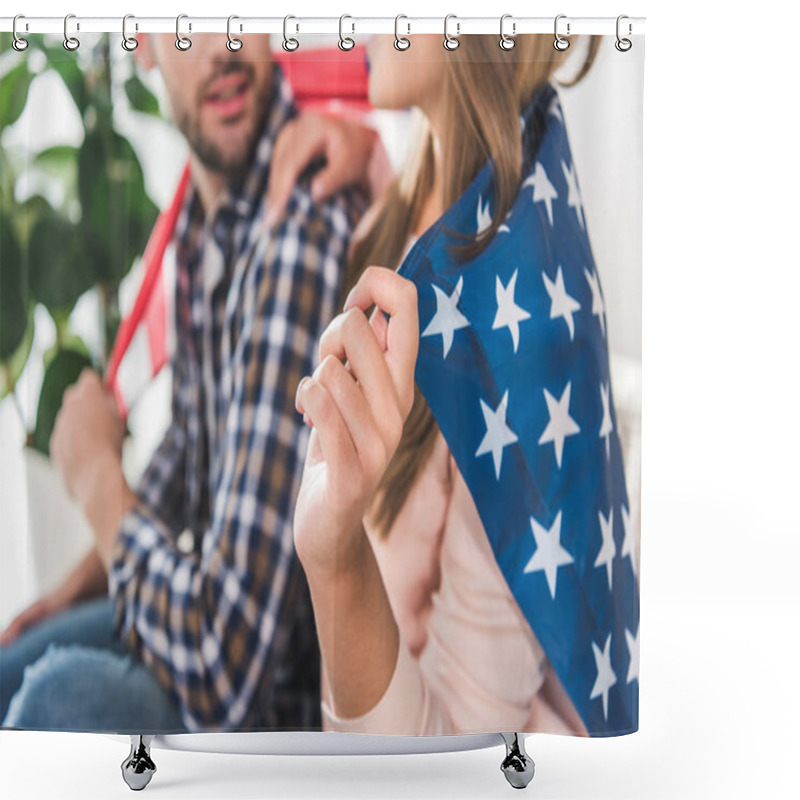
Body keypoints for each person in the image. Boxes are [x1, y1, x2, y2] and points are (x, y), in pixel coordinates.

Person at [0, 32, 368, 732]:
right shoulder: (208, 214)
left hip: (270, 720)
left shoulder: (293, 228)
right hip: (203, 643)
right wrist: (82, 584)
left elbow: (224, 674)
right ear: (139, 42)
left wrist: (97, 482)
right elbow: (204, 444)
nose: (223, 46)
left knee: (56, 700)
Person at [290, 33, 606, 735]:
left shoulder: (530, 338)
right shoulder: (411, 189)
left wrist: (337, 559)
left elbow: (456, 759)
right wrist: (365, 151)